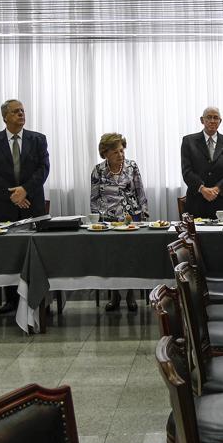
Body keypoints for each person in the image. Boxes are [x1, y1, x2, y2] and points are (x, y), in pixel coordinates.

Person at [0, 99, 50, 313]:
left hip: (33, 204)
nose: (21, 114)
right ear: (5, 117)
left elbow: (43, 168)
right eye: (16, 112)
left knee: (37, 251)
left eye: (23, 111)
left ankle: (40, 299)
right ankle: (12, 300)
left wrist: (25, 190)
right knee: (9, 253)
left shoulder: (38, 139)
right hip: (5, 205)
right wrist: (13, 194)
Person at [90, 132, 149, 312]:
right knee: (111, 259)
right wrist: (95, 220)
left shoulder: (132, 167)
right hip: (107, 220)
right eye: (115, 152)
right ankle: (114, 296)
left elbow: (140, 193)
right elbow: (94, 198)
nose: (120, 155)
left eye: (122, 151)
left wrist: (144, 216)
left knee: (130, 257)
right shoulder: (98, 170)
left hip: (132, 218)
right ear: (105, 153)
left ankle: (131, 296)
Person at [180, 107, 223, 218]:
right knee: (195, 235)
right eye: (209, 117)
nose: (212, 121)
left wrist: (217, 189)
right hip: (196, 201)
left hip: (220, 200)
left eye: (216, 118)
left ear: (220, 121)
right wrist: (202, 189)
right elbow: (186, 170)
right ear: (202, 120)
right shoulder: (188, 141)